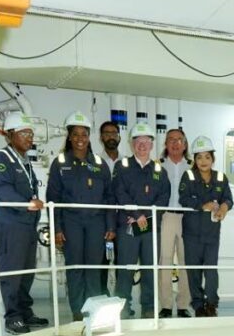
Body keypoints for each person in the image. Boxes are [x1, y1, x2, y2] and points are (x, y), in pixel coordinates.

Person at [46, 111, 114, 321]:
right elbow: (53, 199)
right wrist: (57, 228)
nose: (80, 139)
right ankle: (77, 310)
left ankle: (93, 308)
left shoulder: (100, 163)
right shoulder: (59, 163)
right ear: (69, 136)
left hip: (96, 222)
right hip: (71, 222)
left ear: (89, 136)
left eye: (84, 134)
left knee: (94, 268)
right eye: (75, 134)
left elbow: (109, 198)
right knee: (75, 267)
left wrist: (110, 226)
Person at [0, 111, 47, 335]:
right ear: (10, 135)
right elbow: (2, 190)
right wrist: (28, 204)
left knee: (27, 272)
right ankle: (13, 317)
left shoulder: (25, 162)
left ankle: (24, 311)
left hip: (27, 225)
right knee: (11, 273)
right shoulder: (0, 159)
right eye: (24, 133)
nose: (29, 137)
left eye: (30, 133)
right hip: (10, 224)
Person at [112, 122, 170, 318]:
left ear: (152, 144)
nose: (142, 145)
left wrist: (146, 217)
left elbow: (164, 197)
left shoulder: (159, 170)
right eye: (138, 141)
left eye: (146, 141)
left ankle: (148, 306)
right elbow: (120, 192)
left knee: (150, 269)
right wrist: (137, 216)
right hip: (129, 225)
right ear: (131, 143)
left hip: (150, 226)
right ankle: (123, 306)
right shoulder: (122, 166)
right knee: (126, 269)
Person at [178, 135, 233, 317]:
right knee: (193, 271)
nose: (203, 161)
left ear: (213, 159)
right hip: (192, 232)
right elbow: (183, 199)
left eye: (207, 157)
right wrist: (203, 205)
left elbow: (228, 199)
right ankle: (198, 304)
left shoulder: (220, 177)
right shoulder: (189, 175)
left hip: (212, 232)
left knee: (211, 271)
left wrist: (224, 207)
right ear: (194, 159)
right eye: (199, 157)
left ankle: (211, 303)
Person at [159, 128, 191, 318]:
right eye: (171, 139)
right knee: (165, 261)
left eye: (179, 140)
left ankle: (183, 305)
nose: (175, 143)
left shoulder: (193, 166)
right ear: (166, 144)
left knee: (186, 262)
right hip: (166, 217)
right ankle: (165, 305)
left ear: (184, 144)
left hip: (188, 217)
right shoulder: (159, 165)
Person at [99, 120, 122, 295]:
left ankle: (122, 297)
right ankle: (102, 295)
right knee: (102, 261)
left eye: (114, 133)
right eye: (107, 133)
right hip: (101, 220)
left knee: (123, 260)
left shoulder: (127, 162)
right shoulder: (96, 162)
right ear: (101, 137)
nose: (111, 136)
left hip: (122, 221)